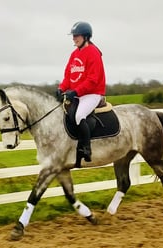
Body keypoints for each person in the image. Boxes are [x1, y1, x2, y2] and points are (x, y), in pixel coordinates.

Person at [56, 21, 106, 163]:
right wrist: (61, 88)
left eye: (76, 36)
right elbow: (68, 76)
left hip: (92, 94)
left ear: (85, 36)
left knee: (79, 116)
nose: (74, 38)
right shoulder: (74, 55)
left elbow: (93, 80)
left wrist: (75, 91)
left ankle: (86, 149)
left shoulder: (93, 52)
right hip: (78, 94)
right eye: (73, 36)